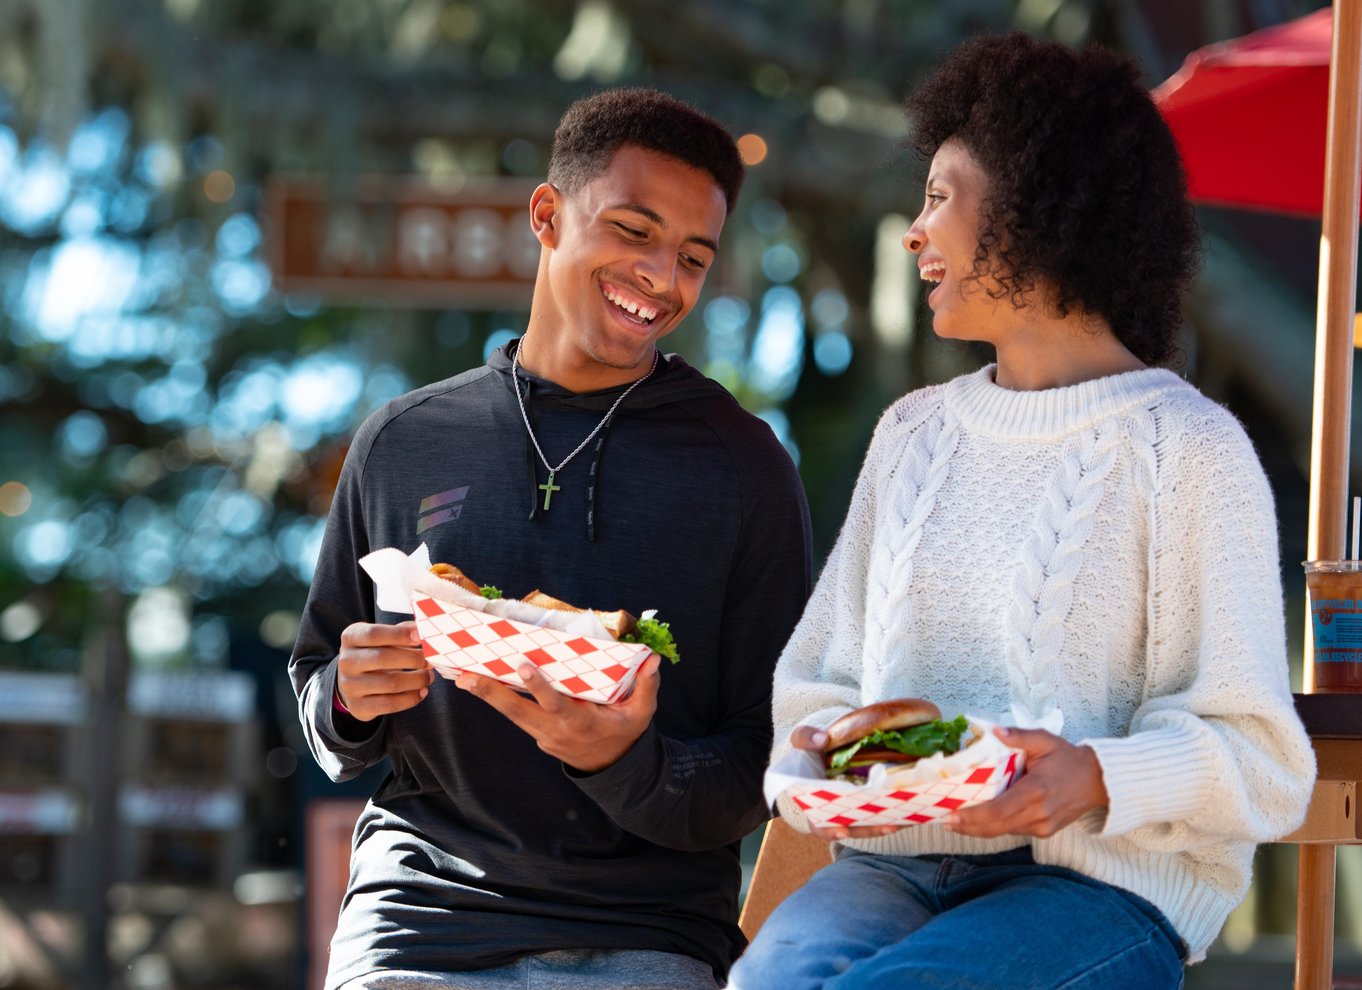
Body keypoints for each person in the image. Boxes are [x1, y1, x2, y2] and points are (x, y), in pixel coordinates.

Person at [729, 33, 1314, 990]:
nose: (914, 231)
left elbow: (1263, 760)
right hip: (888, 865)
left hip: (1099, 890)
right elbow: (815, 689)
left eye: (940, 197)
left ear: (1041, 204)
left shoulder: (1190, 451)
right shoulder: (912, 434)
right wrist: (820, 753)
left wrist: (1091, 777)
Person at [290, 87, 812, 990]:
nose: (663, 277)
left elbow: (766, 758)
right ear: (546, 215)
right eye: (634, 231)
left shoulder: (746, 467)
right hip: (418, 920)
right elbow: (318, 700)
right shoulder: (401, 440)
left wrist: (624, 760)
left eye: (694, 255)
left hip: (650, 934)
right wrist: (349, 695)